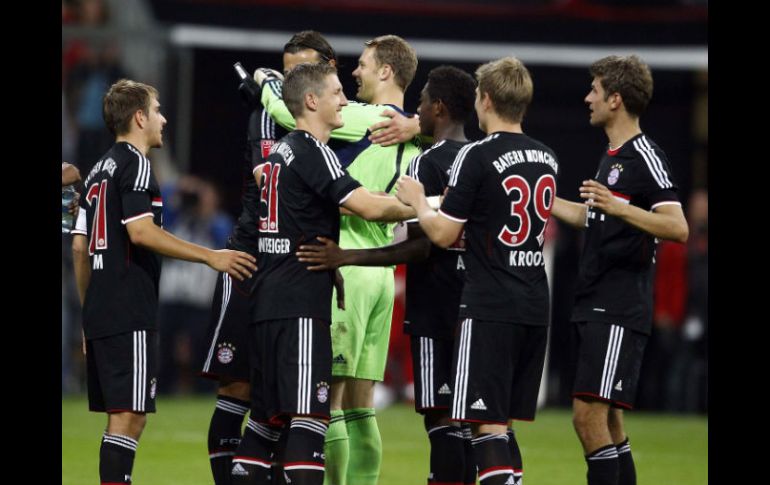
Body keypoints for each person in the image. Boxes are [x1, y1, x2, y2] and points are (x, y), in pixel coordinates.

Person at [229, 62, 415, 485]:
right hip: (299, 307)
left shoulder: (278, 154)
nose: (345, 100)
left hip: (268, 301)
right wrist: (428, 205)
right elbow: (367, 205)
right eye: (335, 93)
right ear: (312, 101)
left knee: (264, 424)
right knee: (311, 421)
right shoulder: (314, 151)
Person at [295, 65, 480, 485]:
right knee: (369, 405)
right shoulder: (470, 155)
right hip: (453, 294)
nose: (352, 75)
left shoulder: (362, 125)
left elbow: (402, 229)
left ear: (384, 69)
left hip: (358, 266)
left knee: (333, 401)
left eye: (362, 62)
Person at [70, 79, 257, 485]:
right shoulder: (135, 164)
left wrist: (89, 312)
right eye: (157, 110)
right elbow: (141, 232)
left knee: (122, 418)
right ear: (139, 117)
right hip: (128, 306)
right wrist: (211, 256)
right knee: (129, 417)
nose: (163, 119)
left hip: (103, 306)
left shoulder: (99, 170)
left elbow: (79, 247)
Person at [396, 56, 558, 485]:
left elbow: (445, 235)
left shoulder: (476, 154)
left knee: (484, 428)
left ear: (485, 99)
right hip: (535, 302)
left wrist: (416, 201)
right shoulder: (548, 157)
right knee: (502, 425)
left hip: (489, 304)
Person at [200, 30, 340, 485]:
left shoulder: (342, 120)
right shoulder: (268, 116)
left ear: (328, 69)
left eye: (300, 70)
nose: (287, 79)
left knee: (286, 404)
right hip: (250, 259)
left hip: (299, 269)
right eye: (284, 70)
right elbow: (267, 181)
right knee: (240, 391)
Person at [549, 55, 688, 485]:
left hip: (618, 304)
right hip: (597, 301)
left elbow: (677, 226)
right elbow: (595, 218)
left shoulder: (644, 154)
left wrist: (619, 206)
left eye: (594, 89)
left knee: (586, 418)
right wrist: (546, 198)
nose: (587, 97)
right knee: (608, 424)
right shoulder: (611, 157)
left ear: (615, 99)